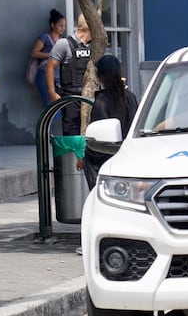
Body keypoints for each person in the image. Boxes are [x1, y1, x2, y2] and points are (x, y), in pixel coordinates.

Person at [82, 55, 139, 189]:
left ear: (100, 76)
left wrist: (86, 156)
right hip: (130, 156)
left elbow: (98, 144)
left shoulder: (102, 100)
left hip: (109, 163)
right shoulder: (131, 97)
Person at [46, 13, 91, 135]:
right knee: (72, 133)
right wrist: (52, 92)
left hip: (92, 97)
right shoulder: (64, 44)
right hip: (72, 98)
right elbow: (50, 66)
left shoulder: (96, 45)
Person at [29, 9, 66, 106]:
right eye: (60, 26)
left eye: (64, 26)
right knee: (50, 104)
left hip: (58, 77)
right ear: (52, 25)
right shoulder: (45, 38)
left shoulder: (63, 40)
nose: (63, 28)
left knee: (59, 105)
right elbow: (34, 53)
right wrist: (51, 55)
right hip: (44, 74)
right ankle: (50, 121)